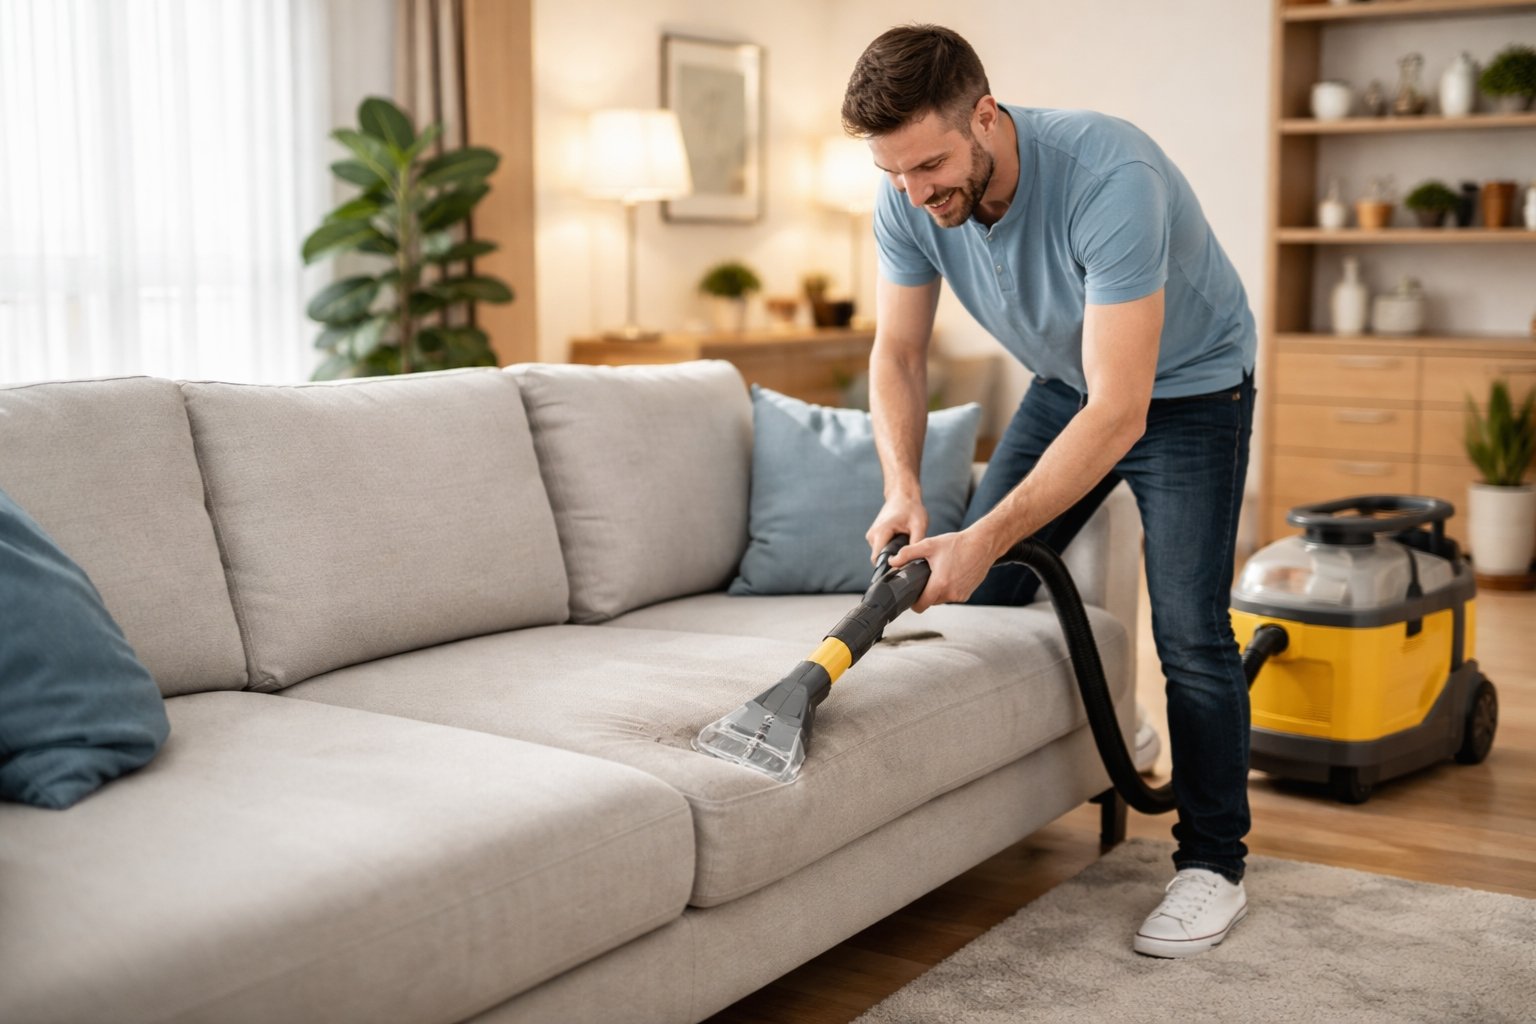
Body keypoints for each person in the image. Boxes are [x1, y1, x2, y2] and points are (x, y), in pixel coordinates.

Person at [843, 24, 1257, 959]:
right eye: (894, 172)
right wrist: (903, 487)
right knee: (986, 594)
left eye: (932, 165)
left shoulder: (1111, 175)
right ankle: (1120, 730)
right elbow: (898, 353)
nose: (916, 193)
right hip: (1069, 380)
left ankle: (1213, 864)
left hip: (1191, 391)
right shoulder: (905, 194)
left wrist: (984, 530)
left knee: (1191, 631)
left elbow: (1120, 412)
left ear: (986, 115)